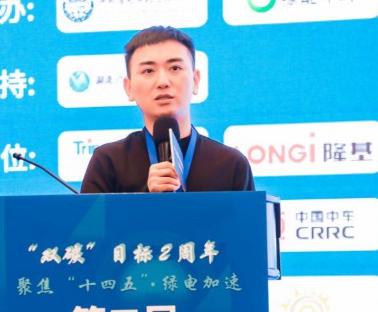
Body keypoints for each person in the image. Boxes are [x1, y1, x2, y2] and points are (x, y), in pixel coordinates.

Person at [80, 26, 255, 194]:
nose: (163, 81)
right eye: (148, 71)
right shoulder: (108, 162)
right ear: (129, 87)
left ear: (195, 81)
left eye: (175, 68)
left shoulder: (231, 163)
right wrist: (145, 197)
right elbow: (89, 217)